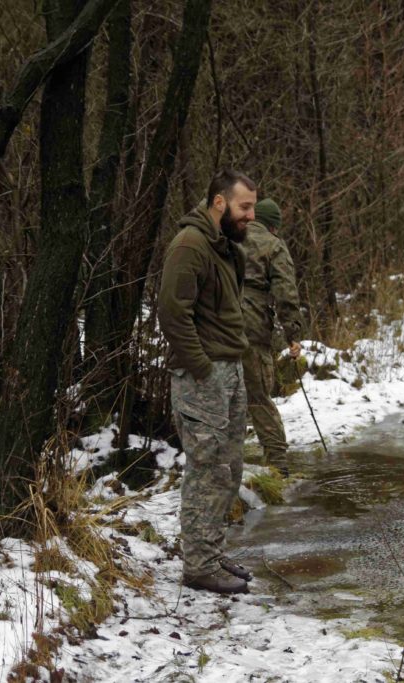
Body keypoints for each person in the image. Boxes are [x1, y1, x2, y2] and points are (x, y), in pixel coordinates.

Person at [156, 168, 257, 595]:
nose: (251, 215)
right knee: (206, 469)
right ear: (219, 202)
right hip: (204, 376)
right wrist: (201, 367)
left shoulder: (223, 246)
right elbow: (171, 313)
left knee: (228, 468)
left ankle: (211, 553)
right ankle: (198, 566)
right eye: (244, 207)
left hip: (227, 370)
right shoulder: (190, 245)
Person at [240, 198, 303, 477]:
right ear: (273, 226)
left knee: (221, 397)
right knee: (258, 397)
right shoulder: (273, 245)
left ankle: (221, 466)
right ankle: (278, 467)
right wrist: (293, 334)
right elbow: (285, 292)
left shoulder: (224, 237)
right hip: (251, 327)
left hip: (214, 326)